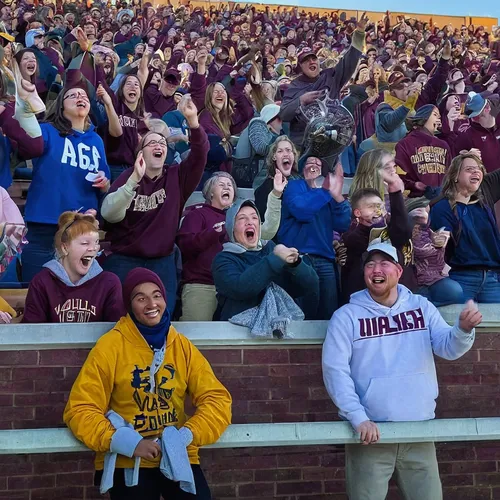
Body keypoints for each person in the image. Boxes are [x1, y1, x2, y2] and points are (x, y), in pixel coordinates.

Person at [322, 241, 482, 500]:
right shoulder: (346, 316)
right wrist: (357, 416)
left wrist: (462, 330)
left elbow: (447, 347)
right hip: (369, 435)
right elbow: (335, 371)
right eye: (370, 264)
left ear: (398, 270)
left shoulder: (422, 306)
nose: (376, 269)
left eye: (384, 263)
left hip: (419, 430)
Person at [64, 268, 232, 499]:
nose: (151, 303)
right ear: (129, 305)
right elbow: (80, 408)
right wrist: (126, 442)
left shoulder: (181, 346)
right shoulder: (110, 346)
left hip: (177, 457)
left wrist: (187, 435)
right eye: (140, 298)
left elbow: (217, 400)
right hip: (127, 461)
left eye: (156, 295)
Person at [101, 95, 208, 315]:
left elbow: (200, 154)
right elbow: (109, 213)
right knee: (120, 318)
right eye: (152, 143)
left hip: (162, 261)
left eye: (162, 143)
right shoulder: (128, 177)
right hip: (125, 259)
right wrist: (133, 181)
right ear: (141, 153)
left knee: (160, 319)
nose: (159, 145)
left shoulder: (177, 177)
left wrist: (193, 122)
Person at [0, 68, 110, 281]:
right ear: (61, 105)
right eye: (72, 95)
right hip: (43, 225)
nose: (80, 97)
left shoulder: (96, 141)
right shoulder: (48, 130)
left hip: (79, 229)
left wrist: (104, 184)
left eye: (84, 96)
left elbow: (104, 181)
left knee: (74, 296)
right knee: (35, 289)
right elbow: (28, 147)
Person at [177, 170, 285, 321]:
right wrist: (214, 232)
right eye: (221, 184)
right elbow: (185, 246)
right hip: (203, 285)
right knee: (198, 336)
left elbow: (266, 233)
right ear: (210, 192)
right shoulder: (197, 215)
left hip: (236, 287)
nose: (227, 187)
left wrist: (275, 195)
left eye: (230, 185)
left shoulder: (241, 219)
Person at [212, 199, 319, 321]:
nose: (250, 222)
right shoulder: (223, 259)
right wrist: (275, 258)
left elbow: (310, 285)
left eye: (254, 218)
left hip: (280, 332)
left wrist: (296, 264)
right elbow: (240, 288)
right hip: (238, 333)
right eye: (242, 218)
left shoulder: (271, 249)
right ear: (232, 227)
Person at [279, 14, 368, 149]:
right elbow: (284, 113)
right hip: (303, 146)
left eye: (313, 58)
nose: (311, 62)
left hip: (331, 145)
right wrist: (301, 100)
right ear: (300, 66)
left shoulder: (331, 76)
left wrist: (359, 34)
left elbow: (349, 60)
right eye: (306, 60)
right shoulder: (294, 86)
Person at [278, 160, 351, 319]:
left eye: (318, 163)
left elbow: (343, 224)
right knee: (301, 317)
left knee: (328, 318)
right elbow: (301, 210)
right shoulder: (294, 186)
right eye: (310, 162)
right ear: (302, 168)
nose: (314, 165)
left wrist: (338, 197)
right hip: (299, 260)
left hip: (326, 259)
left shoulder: (327, 194)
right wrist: (326, 191)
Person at [23, 212, 125, 323]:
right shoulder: (42, 282)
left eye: (96, 242)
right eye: (85, 243)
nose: (93, 248)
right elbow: (32, 330)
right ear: (65, 248)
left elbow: (117, 329)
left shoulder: (109, 282)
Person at [430, 151, 500, 302]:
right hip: (461, 278)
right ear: (455, 176)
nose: (476, 171)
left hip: (492, 279)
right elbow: (441, 240)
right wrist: (439, 241)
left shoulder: (484, 200)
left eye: (479, 168)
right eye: (469, 169)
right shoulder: (442, 208)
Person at [341, 170, 414, 304]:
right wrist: (378, 227)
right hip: (365, 301)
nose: (377, 210)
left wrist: (395, 192)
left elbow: (403, 232)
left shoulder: (393, 228)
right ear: (358, 212)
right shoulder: (352, 235)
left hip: (401, 298)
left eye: (380, 206)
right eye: (371, 207)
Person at [407, 198, 464, 306]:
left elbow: (439, 258)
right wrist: (436, 245)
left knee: (455, 291)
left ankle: (430, 306)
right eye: (418, 209)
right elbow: (420, 251)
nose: (422, 211)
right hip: (414, 282)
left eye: (425, 209)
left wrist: (440, 245)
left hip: (434, 279)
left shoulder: (431, 231)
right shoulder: (405, 232)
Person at [395, 104, 452, 198]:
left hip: (441, 199)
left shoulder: (443, 145)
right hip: (416, 201)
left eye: (439, 116)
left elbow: (450, 174)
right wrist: (414, 185)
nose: (439, 119)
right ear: (424, 118)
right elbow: (399, 175)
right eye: (435, 114)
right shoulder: (404, 144)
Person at [254, 136, 300, 222]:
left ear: (293, 155)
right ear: (274, 157)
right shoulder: (264, 189)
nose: (286, 154)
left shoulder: (300, 181)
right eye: (280, 151)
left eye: (288, 150)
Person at [451, 92, 500, 173]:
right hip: (489, 181)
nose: (474, 120)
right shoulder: (467, 135)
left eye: (476, 117)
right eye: (472, 117)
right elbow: (455, 162)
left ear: (487, 108)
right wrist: (467, 157)